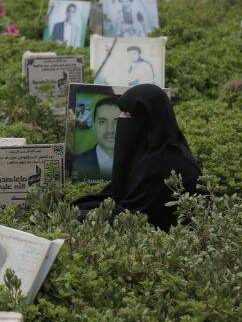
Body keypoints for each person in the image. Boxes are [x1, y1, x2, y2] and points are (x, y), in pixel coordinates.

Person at [72, 84, 202, 230]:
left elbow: (129, 216)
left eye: (127, 115)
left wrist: (80, 216)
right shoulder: (150, 151)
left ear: (147, 119)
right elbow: (116, 193)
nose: (121, 121)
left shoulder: (164, 162)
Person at [70, 97, 119, 180]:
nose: (110, 130)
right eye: (102, 122)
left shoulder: (136, 162)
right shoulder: (77, 163)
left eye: (117, 122)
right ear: (94, 126)